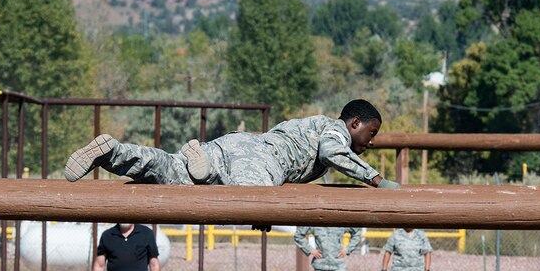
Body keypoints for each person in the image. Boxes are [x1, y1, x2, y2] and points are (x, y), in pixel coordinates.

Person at [65, 99, 399, 189]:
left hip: (234, 145)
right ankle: (207, 171)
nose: (370, 143)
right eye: (370, 134)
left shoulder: (310, 124)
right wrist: (377, 180)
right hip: (263, 159)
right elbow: (331, 152)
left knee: (166, 170)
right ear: (354, 123)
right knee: (248, 199)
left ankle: (112, 152)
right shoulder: (335, 131)